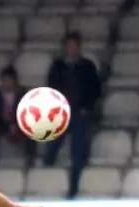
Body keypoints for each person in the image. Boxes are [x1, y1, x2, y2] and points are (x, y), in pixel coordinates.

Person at [43, 33, 101, 198]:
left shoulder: (88, 66)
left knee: (78, 150)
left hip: (80, 113)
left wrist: (86, 107)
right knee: (51, 144)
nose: (72, 48)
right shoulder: (57, 66)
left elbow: (95, 90)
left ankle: (74, 187)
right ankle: (45, 175)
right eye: (69, 45)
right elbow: (51, 87)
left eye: (75, 45)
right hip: (61, 112)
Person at [0, 66, 36, 167]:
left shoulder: (23, 93)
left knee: (31, 126)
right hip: (2, 123)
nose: (7, 83)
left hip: (19, 122)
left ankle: (30, 155)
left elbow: (27, 112)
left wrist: (15, 123)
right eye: (4, 81)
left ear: (15, 81)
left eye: (9, 81)